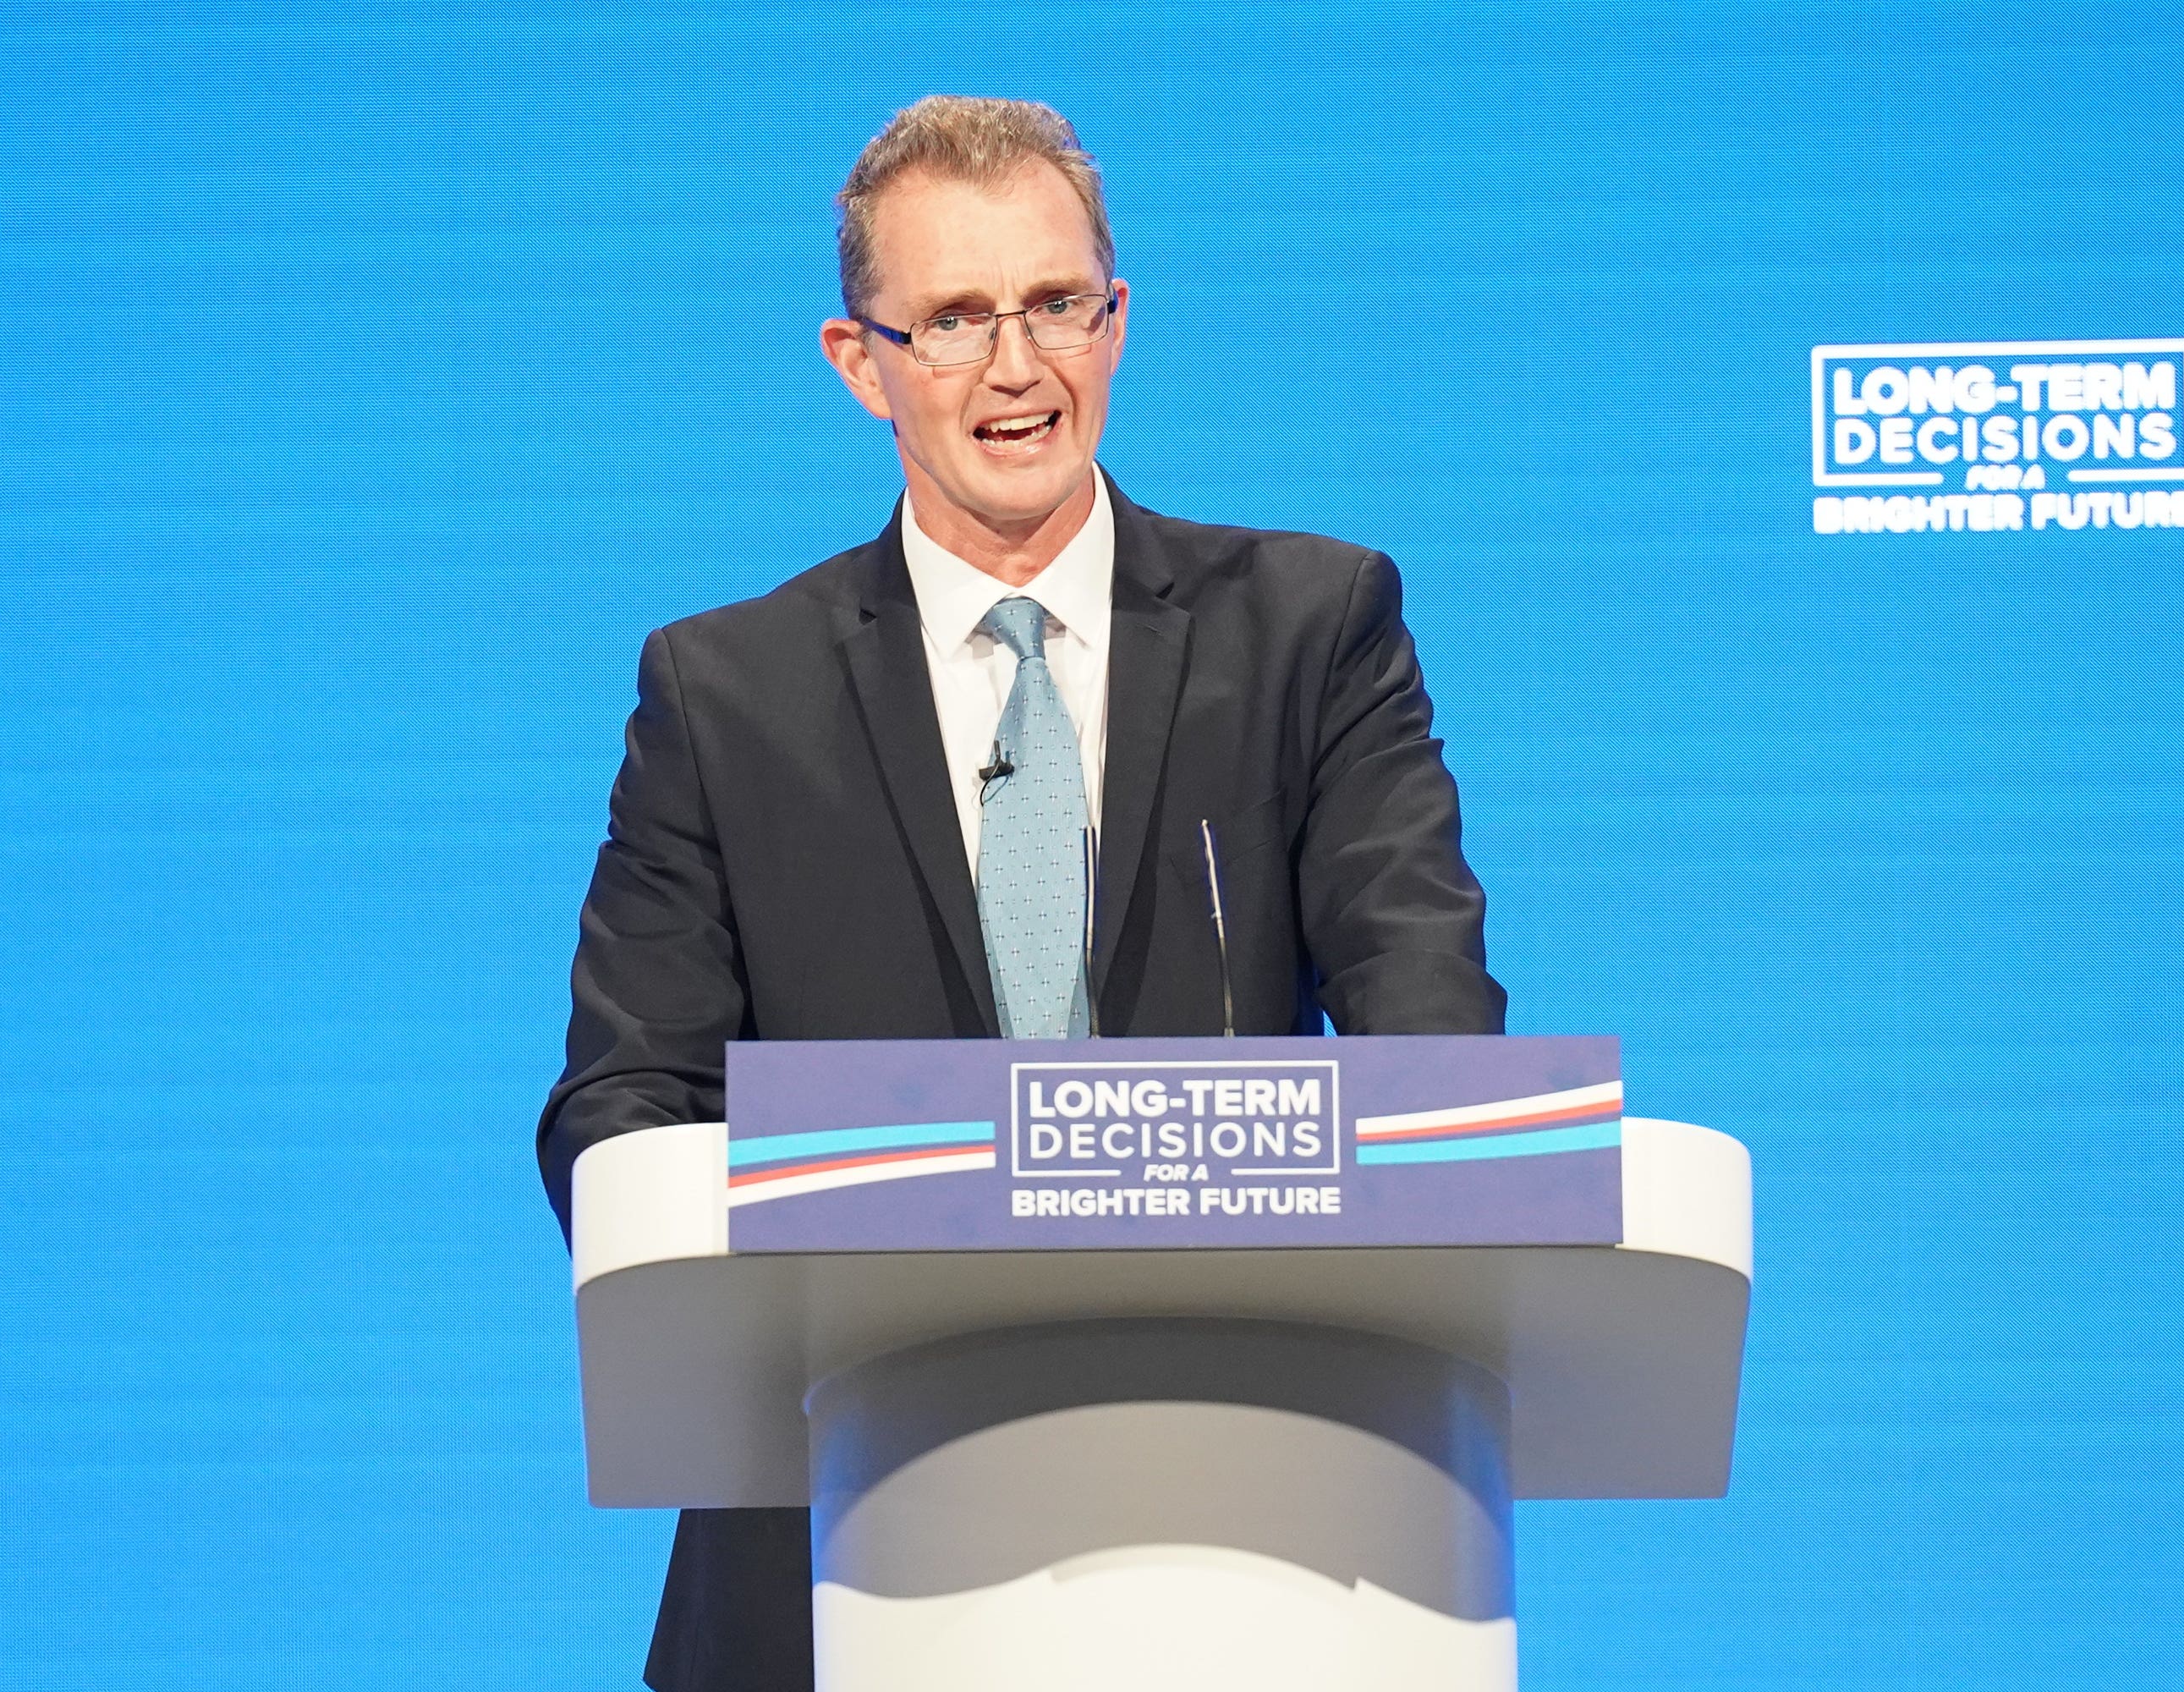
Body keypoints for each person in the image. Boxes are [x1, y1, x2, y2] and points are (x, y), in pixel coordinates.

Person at [535, 95, 1504, 1692]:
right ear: (861, 363)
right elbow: (624, 1110)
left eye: (1058, 304)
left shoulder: (1312, 630)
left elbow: (1431, 1049)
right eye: (956, 318)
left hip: (1257, 1548)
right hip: (834, 1556)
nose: (1017, 367)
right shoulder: (725, 695)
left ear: (1116, 322)